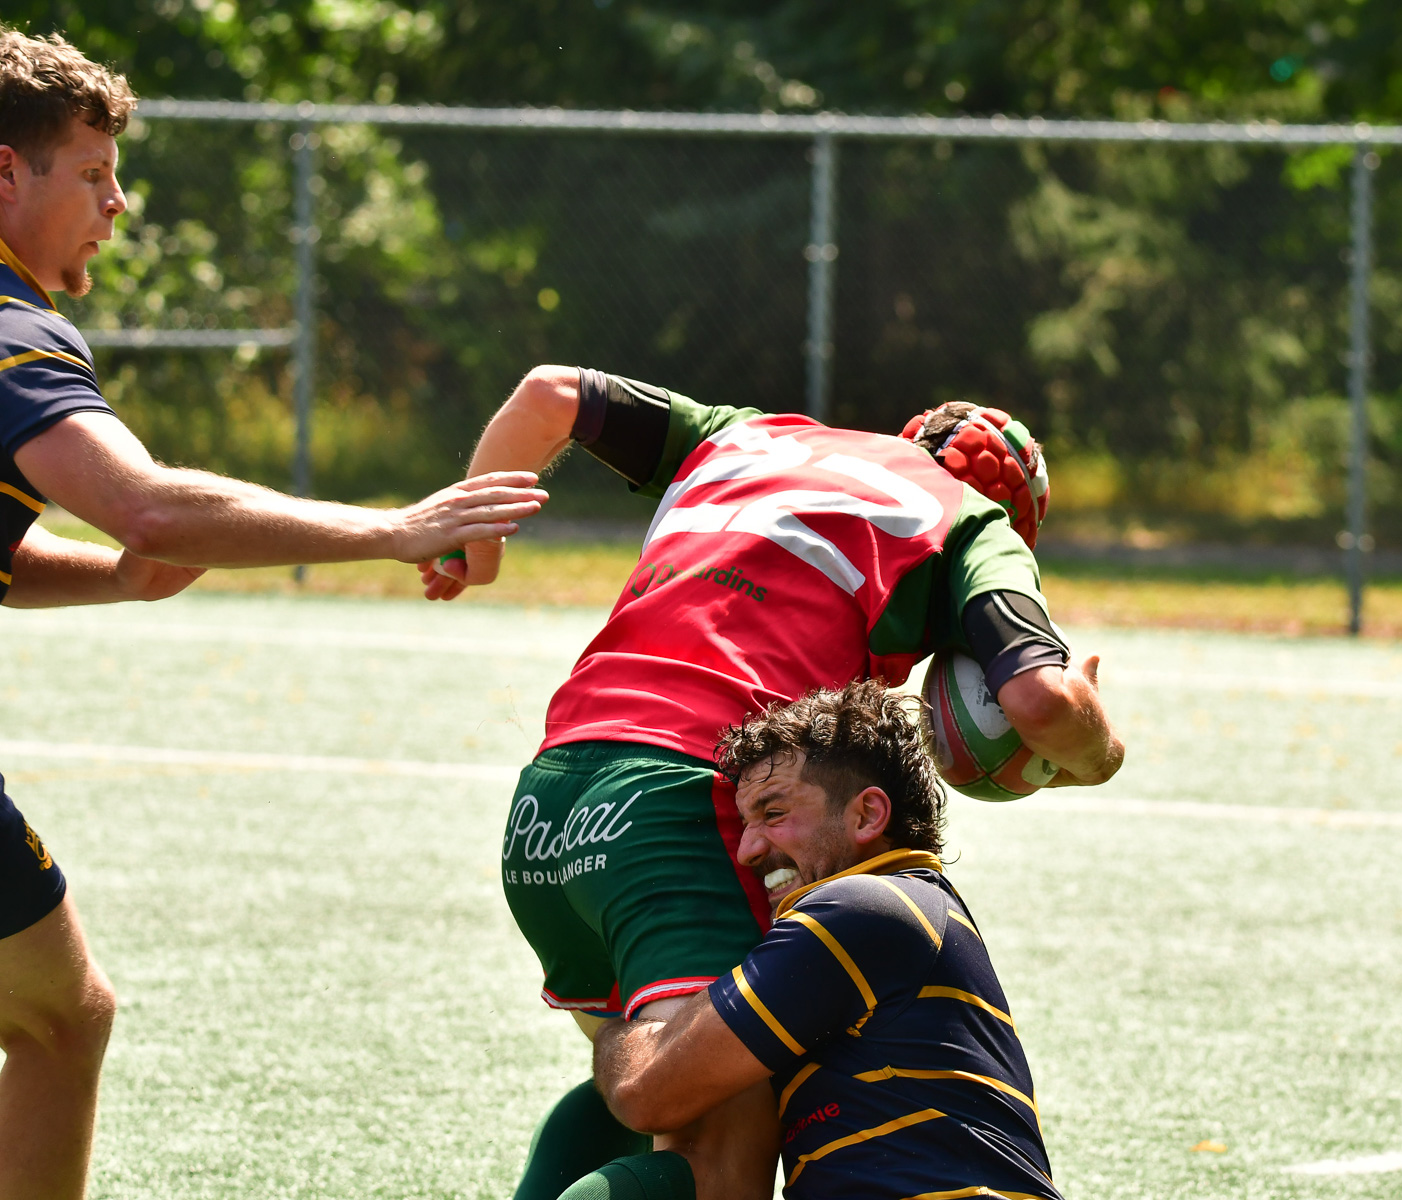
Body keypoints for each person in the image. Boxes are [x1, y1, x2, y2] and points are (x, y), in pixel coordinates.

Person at [0, 29, 546, 1200]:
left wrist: (106, 580)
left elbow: (115, 542)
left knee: (64, 1013)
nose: (120, 202)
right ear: (7, 174)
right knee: (59, 1019)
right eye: (93, 174)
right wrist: (396, 527)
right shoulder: (14, 331)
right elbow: (145, 504)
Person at [425, 364, 1123, 1199]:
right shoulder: (974, 524)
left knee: (668, 1078)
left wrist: (477, 538)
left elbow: (549, 396)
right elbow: (1040, 702)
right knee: (718, 1149)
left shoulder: (748, 432)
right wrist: (1096, 755)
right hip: (678, 800)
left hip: (549, 800)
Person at [579, 681, 1061, 1200]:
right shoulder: (910, 908)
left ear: (867, 815)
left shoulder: (857, 911)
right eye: (745, 822)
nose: (746, 850)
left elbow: (646, 1092)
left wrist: (612, 1025)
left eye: (773, 813)